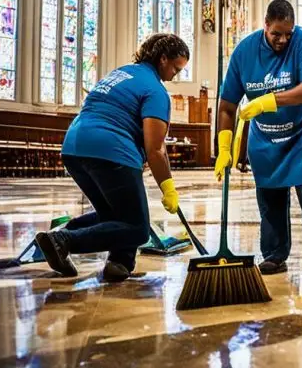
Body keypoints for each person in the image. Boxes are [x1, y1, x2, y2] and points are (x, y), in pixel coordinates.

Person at [35, 34, 188, 283]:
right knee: (137, 228)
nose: (175, 75)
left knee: (115, 215)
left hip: (74, 147)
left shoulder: (121, 74)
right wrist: (168, 187)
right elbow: (155, 149)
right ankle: (63, 240)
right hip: (110, 150)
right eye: (175, 68)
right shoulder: (156, 90)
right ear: (163, 59)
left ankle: (116, 262)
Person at [215, 0, 302, 294]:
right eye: (276, 34)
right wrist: (223, 147)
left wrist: (270, 100)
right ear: (265, 25)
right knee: (269, 197)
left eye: (288, 33)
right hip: (266, 133)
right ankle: (274, 255)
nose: (283, 40)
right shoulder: (244, 52)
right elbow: (226, 104)